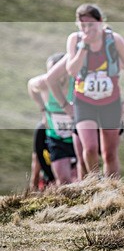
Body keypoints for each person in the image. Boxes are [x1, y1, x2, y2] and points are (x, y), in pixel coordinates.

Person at [63, 4, 124, 178]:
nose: (87, 29)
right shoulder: (75, 40)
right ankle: (94, 184)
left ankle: (111, 188)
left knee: (109, 153)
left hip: (110, 102)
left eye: (91, 24)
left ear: (100, 22)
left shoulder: (114, 40)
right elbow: (72, 70)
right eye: (83, 25)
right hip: (84, 101)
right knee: (90, 147)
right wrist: (84, 47)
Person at [29, 53, 79, 186]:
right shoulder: (43, 84)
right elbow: (31, 86)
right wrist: (43, 110)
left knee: (80, 180)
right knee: (62, 181)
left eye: (58, 71)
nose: (55, 76)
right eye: (51, 72)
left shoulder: (75, 83)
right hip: (56, 138)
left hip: (76, 137)